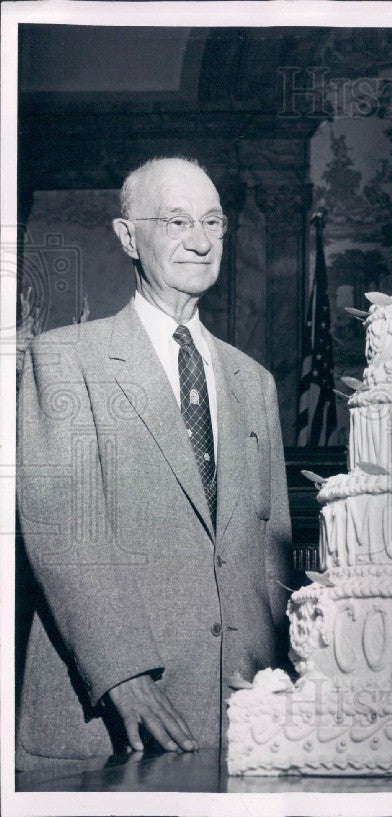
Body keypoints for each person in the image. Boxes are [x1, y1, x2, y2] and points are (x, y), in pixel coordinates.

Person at [16, 157, 292, 770]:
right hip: (111, 725)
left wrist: (283, 689)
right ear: (127, 237)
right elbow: (61, 530)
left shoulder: (255, 381)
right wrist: (123, 675)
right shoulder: (66, 361)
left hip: (245, 722)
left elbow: (269, 550)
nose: (200, 240)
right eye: (177, 221)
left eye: (213, 222)